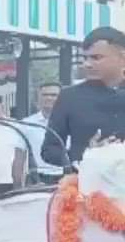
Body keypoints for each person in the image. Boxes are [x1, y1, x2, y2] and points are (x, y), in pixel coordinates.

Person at [42, 26, 125, 168]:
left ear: (122, 58)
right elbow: (49, 150)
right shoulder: (70, 96)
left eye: (96, 58)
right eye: (84, 58)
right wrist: (86, 155)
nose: (87, 64)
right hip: (84, 185)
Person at [22, 82, 64, 185]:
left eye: (54, 95)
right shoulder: (26, 123)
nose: (49, 98)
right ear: (38, 98)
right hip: (38, 179)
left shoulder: (72, 122)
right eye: (45, 95)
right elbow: (20, 156)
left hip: (66, 177)